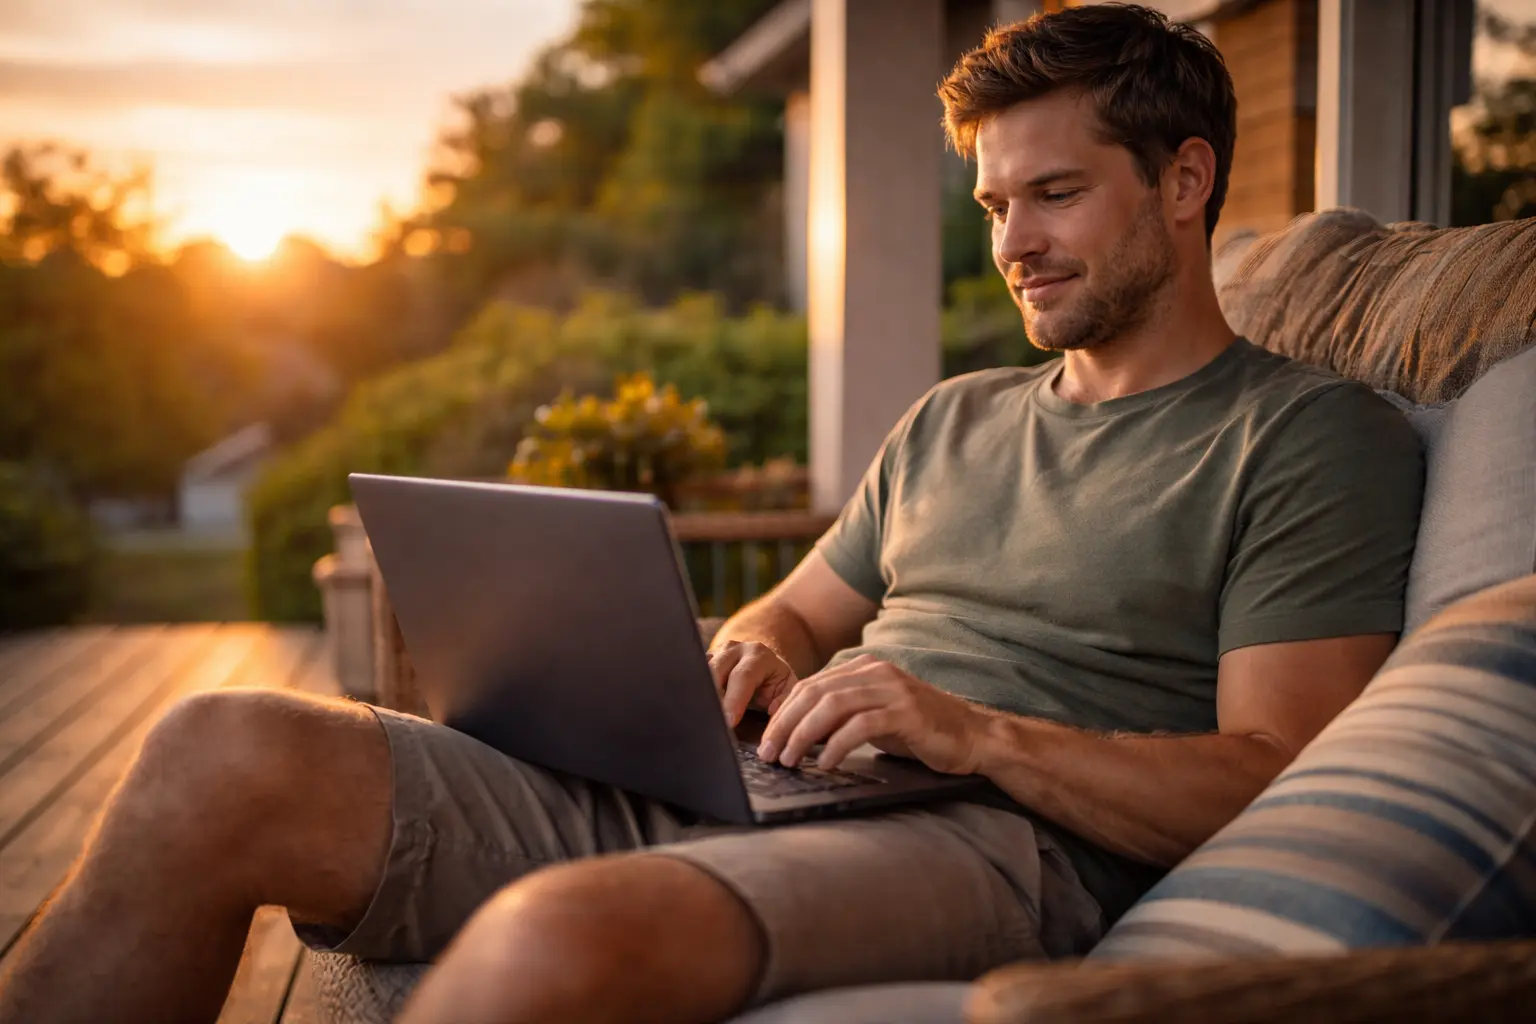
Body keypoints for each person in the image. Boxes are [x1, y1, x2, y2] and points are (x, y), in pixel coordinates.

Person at [0, 6, 1425, 1023]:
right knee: (219, 748)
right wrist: (750, 654)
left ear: (1185, 181)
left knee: (556, 940)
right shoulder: (957, 418)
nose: (1014, 245)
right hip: (768, 775)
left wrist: (972, 729)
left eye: (1056, 195)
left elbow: (1270, 772)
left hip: (983, 837)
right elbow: (794, 611)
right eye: (994, 203)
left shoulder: (1304, 438)